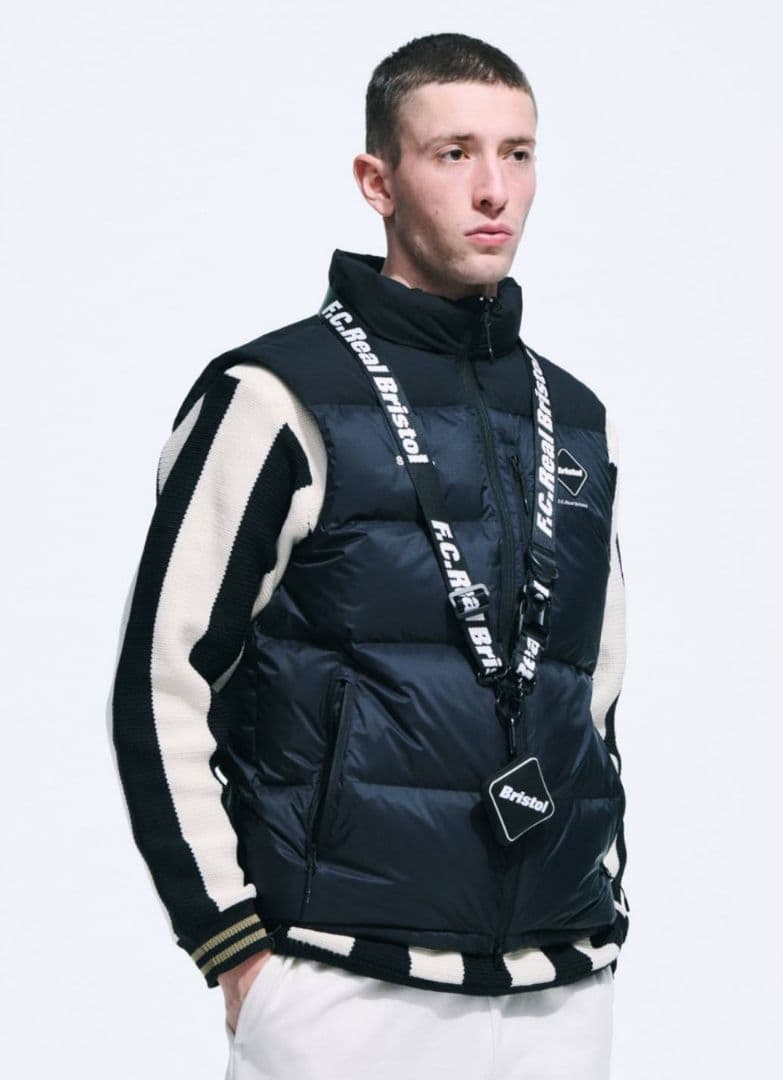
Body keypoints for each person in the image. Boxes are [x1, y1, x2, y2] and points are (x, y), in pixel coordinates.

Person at [108, 31, 630, 1080]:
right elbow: (161, 683)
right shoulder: (275, 397)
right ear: (377, 181)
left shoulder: (571, 416)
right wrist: (234, 948)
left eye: (518, 153)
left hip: (557, 988)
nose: (493, 190)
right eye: (454, 153)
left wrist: (603, 893)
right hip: (343, 986)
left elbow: (594, 694)